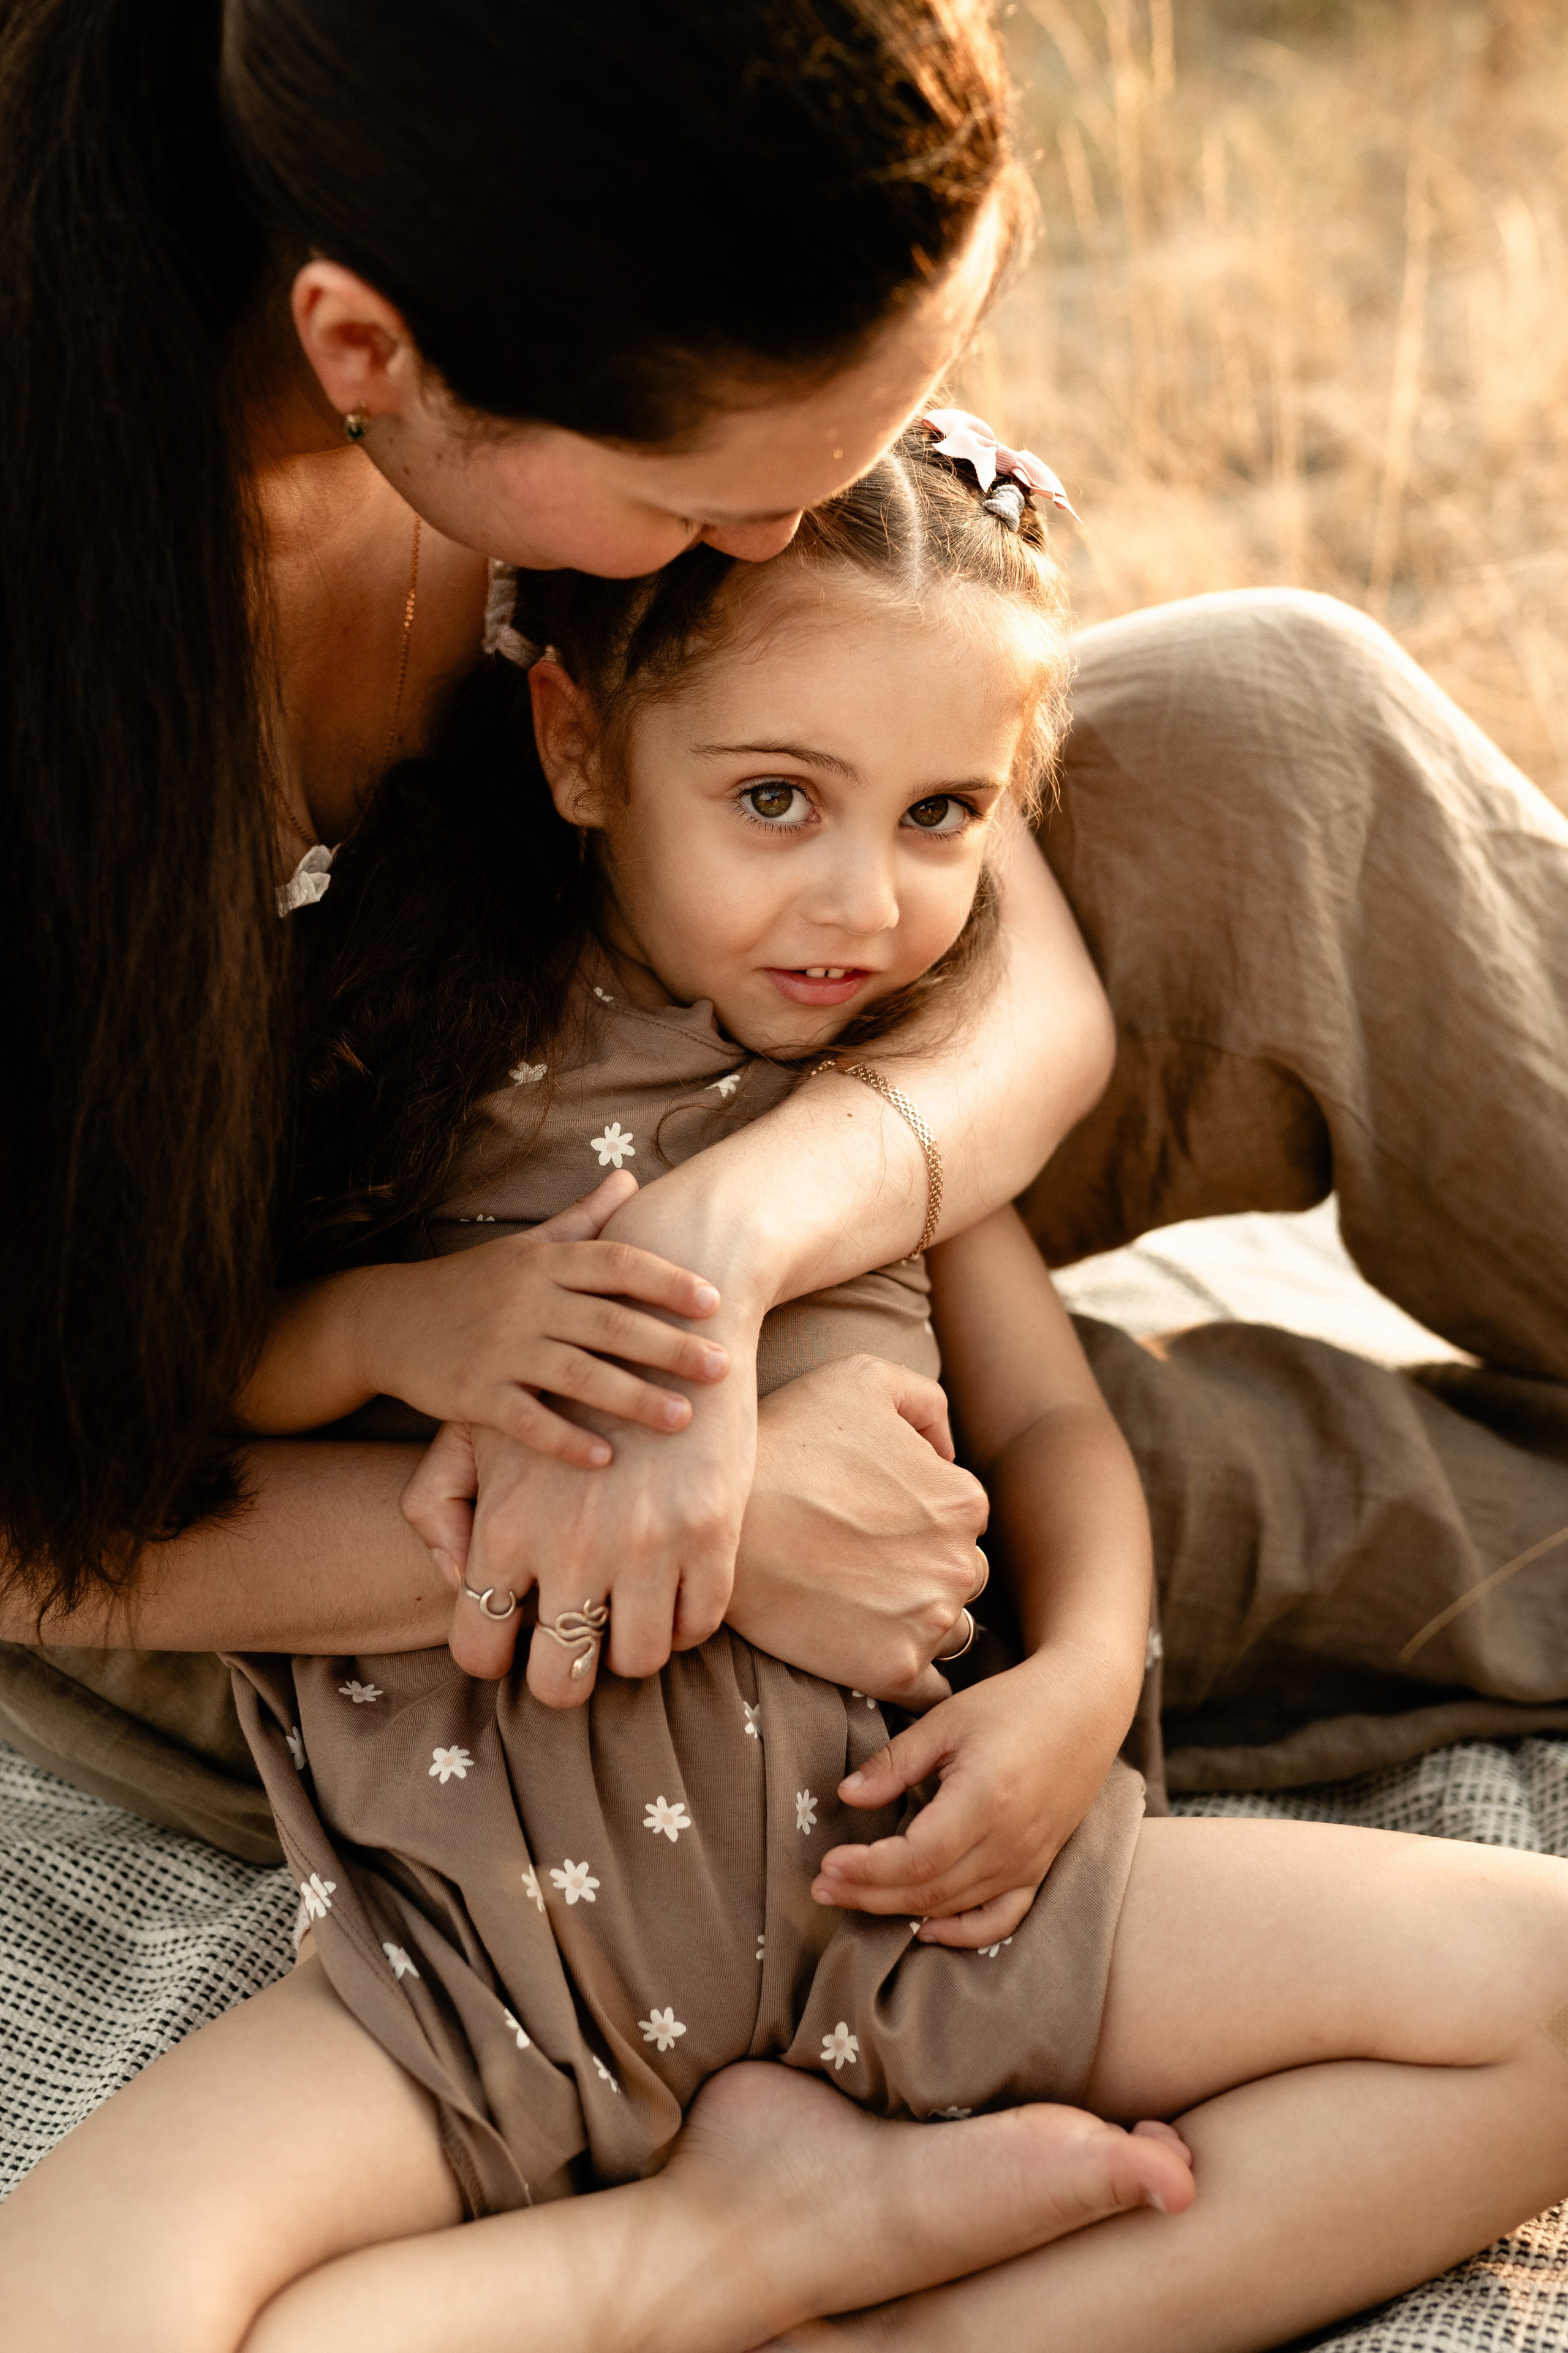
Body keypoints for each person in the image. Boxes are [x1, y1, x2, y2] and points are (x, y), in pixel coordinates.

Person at [11, 426, 1568, 2353]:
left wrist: (1082, 1683)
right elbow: (151, 1404)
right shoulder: (379, 1066)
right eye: (774, 800)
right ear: (579, 746)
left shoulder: (871, 1091)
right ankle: (704, 2260)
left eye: (940, 818)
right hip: (497, 1968)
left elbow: (1056, 1422)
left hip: (920, 1903)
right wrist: (390, 1335)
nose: (861, 906)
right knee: (68, 2299)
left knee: (1549, 2000)